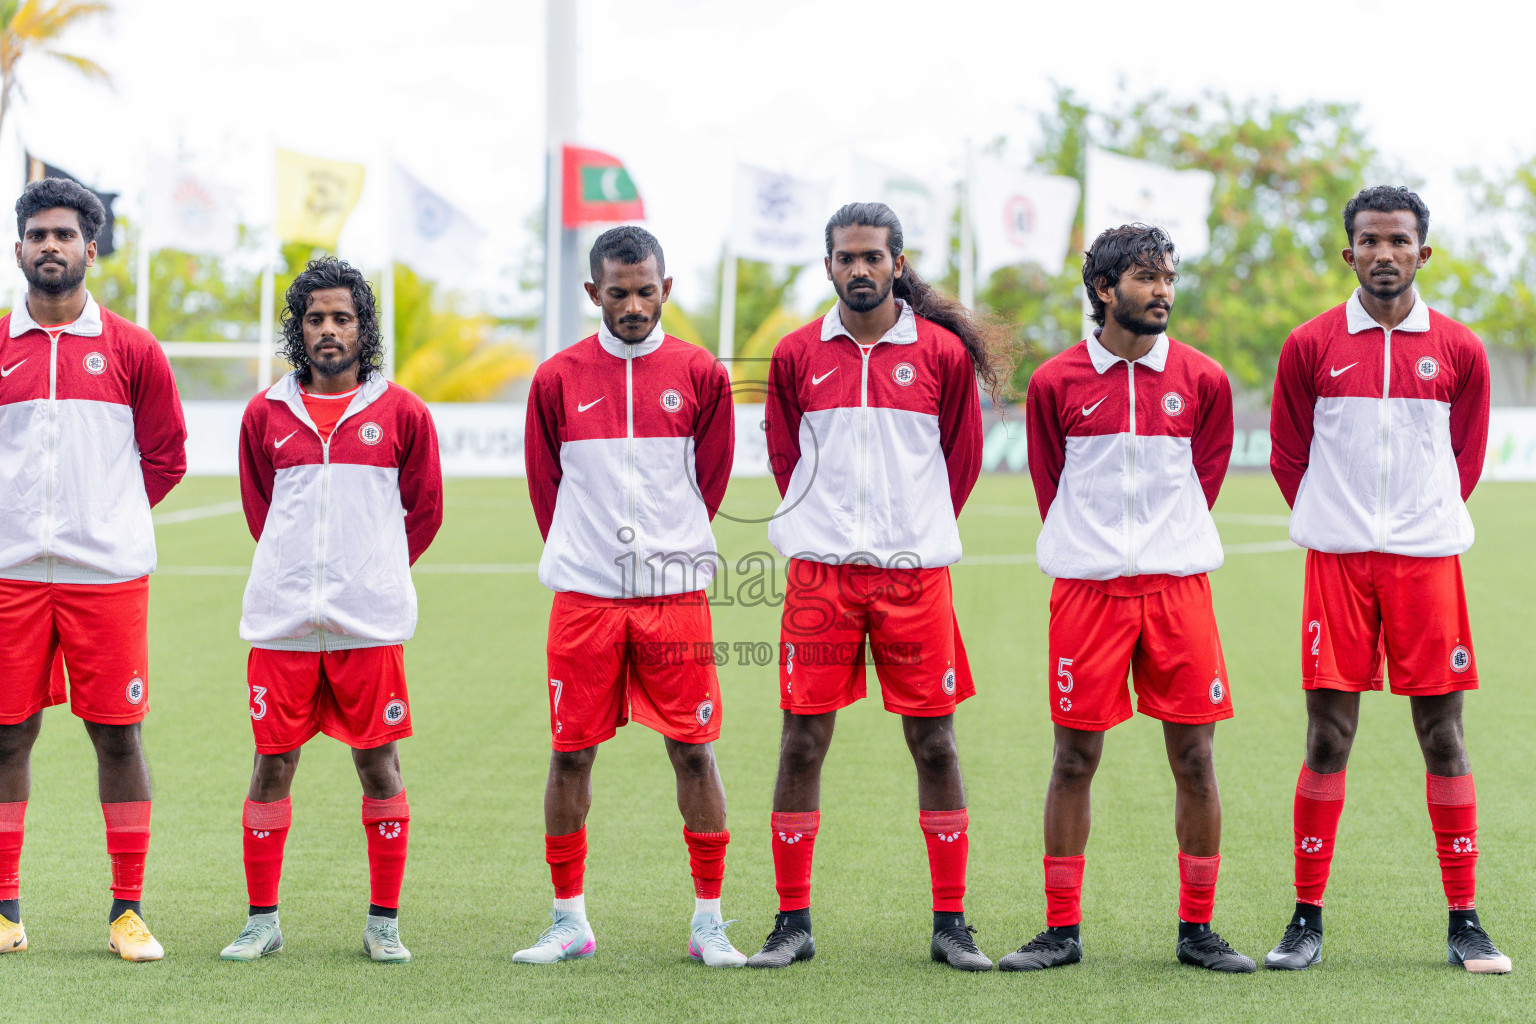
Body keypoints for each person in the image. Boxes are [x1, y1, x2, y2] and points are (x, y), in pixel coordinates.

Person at [747, 202, 1008, 972]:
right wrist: (831, 531)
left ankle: (952, 923)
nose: (858, 269)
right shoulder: (797, 355)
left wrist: (908, 532)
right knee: (802, 740)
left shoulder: (940, 356)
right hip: (821, 578)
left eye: (872, 257)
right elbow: (786, 460)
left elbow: (958, 465)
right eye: (844, 258)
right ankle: (791, 921)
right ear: (827, 265)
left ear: (898, 261)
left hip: (913, 577)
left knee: (934, 741)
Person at [1264, 186, 1507, 974]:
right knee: (1328, 735)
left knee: (1443, 736)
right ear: (1350, 253)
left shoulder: (1461, 351)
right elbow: (1288, 457)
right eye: (1369, 241)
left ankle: (1465, 920)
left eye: (1399, 241)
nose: (1384, 254)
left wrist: (1415, 523)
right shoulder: (1310, 344)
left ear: (1422, 253)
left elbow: (1464, 461)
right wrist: (1341, 522)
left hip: (1427, 565)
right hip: (1337, 567)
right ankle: (1306, 917)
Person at [1006, 223, 1252, 974]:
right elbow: (1053, 487)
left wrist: (1159, 545)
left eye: (1169, 277)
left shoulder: (1204, 379)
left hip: (1179, 593)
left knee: (1196, 759)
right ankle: (1060, 930)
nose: (1164, 291)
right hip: (1089, 596)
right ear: (1106, 290)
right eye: (1148, 278)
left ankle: (1198, 930)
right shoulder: (1055, 383)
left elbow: (1203, 480)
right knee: (1074, 758)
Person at [518, 226, 742, 967]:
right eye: (619, 294)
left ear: (666, 289)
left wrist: (664, 552)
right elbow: (545, 490)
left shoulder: (700, 373)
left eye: (647, 291)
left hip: (674, 597)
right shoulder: (556, 378)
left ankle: (709, 919)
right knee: (570, 754)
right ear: (594, 294)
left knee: (692, 751)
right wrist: (591, 559)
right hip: (584, 599)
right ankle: (568, 919)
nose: (635, 305)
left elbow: (708, 481)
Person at [219, 257, 443, 964]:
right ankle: (262, 921)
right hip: (282, 627)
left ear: (362, 327)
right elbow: (263, 511)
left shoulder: (402, 412)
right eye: (315, 318)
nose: (328, 330)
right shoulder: (266, 413)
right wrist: (299, 576)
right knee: (271, 766)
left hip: (367, 627)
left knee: (379, 765)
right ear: (299, 327)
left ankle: (383, 923)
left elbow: (426, 512)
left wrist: (369, 573)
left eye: (342, 317)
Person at [0, 179, 186, 961]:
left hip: (105, 579)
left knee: (119, 739)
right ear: (18, 250)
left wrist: (102, 520)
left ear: (90, 249)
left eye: (65, 235)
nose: (51, 246)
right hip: (9, 576)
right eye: (37, 234)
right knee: (7, 736)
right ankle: (5, 909)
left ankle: (127, 910)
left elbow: (167, 455)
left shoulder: (133, 349)